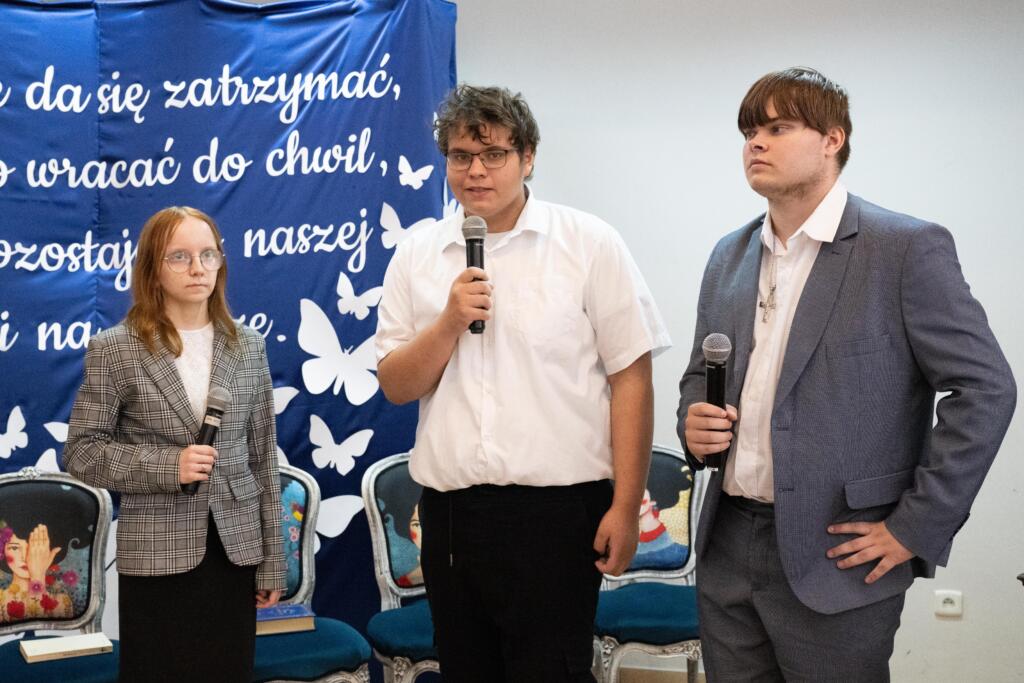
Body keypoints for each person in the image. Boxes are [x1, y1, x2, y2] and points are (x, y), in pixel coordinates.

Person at [678, 67, 1016, 682]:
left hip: (840, 554)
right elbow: (702, 373)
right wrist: (692, 424)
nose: (756, 144)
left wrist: (916, 526)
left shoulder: (904, 247)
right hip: (727, 543)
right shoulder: (728, 254)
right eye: (749, 132)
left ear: (832, 139)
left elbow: (986, 389)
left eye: (778, 128)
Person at [375, 84, 670, 682]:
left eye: (494, 154)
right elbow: (396, 385)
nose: (475, 171)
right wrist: (449, 321)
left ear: (528, 157)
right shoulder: (417, 253)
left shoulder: (588, 243)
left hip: (558, 513)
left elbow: (632, 379)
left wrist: (625, 505)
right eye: (460, 156)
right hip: (452, 516)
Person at [63, 206, 285, 683]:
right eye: (179, 257)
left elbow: (263, 458)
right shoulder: (116, 348)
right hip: (156, 556)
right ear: (152, 270)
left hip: (235, 552)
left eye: (208, 255)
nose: (198, 268)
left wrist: (272, 560)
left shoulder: (248, 345)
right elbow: (81, 452)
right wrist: (170, 466)